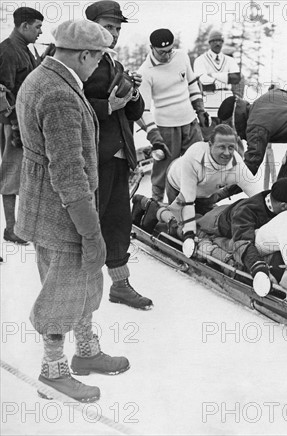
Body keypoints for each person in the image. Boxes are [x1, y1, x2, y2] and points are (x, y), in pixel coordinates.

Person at [15, 19, 130, 403]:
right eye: (98, 58)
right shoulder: (60, 94)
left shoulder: (42, 77)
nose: (99, 66)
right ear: (84, 54)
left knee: (84, 283)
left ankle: (86, 352)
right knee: (61, 292)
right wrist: (91, 231)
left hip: (48, 205)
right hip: (61, 212)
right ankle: (53, 371)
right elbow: (68, 171)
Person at [84, 1, 153, 310]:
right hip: (92, 155)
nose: (112, 33)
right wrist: (107, 106)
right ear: (91, 26)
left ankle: (120, 285)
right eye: (106, 27)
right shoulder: (80, 61)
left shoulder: (113, 63)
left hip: (118, 154)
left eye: (116, 28)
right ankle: (81, 285)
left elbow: (134, 111)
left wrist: (134, 92)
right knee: (88, 222)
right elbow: (66, 106)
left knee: (118, 221)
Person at [132, 124, 262, 254]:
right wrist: (189, 235)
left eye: (231, 148)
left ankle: (159, 210)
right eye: (221, 147)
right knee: (178, 226)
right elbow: (187, 201)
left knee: (204, 224)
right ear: (210, 145)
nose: (227, 153)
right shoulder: (195, 156)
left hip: (206, 191)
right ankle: (151, 207)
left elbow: (257, 194)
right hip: (179, 186)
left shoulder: (237, 165)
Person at [195, 177, 287, 295]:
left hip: (232, 212)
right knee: (223, 241)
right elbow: (242, 243)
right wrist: (259, 268)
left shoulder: (275, 203)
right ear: (283, 206)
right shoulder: (246, 212)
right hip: (215, 222)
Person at [136, 28, 208, 201]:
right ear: (151, 48)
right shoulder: (145, 72)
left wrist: (200, 109)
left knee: (200, 163)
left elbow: (191, 84)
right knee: (163, 170)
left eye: (170, 51)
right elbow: (144, 110)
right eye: (162, 53)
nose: (167, 56)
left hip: (190, 123)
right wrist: (155, 137)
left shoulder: (181, 56)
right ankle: (157, 205)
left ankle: (201, 203)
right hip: (166, 129)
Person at [0, 7, 44, 246]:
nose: (40, 31)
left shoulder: (25, 50)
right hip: (13, 124)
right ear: (24, 25)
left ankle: (21, 226)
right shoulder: (8, 51)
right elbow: (2, 91)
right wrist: (14, 123)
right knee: (12, 173)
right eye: (37, 26)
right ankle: (10, 228)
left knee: (25, 175)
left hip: (25, 121)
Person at [193, 29, 243, 132]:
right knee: (209, 137)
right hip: (209, 105)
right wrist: (226, 81)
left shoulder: (230, 60)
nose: (217, 43)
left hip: (227, 104)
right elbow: (204, 82)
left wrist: (212, 75)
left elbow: (236, 78)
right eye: (214, 40)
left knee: (229, 136)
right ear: (209, 42)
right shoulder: (200, 60)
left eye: (220, 40)